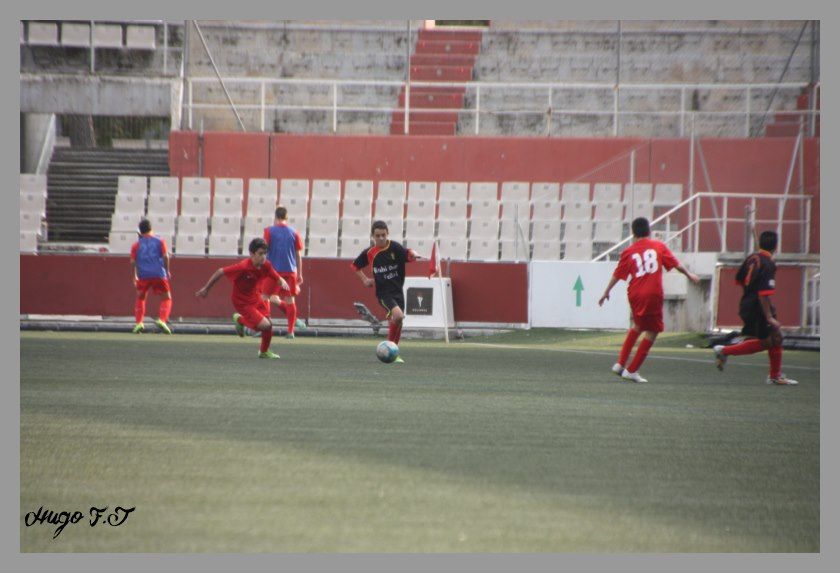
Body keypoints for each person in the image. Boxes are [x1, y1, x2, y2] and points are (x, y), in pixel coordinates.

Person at [598, 217, 700, 383]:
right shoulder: (658, 246)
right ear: (649, 231)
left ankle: (620, 363)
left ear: (633, 233)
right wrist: (690, 275)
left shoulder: (629, 251)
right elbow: (676, 265)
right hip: (652, 294)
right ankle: (632, 370)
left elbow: (618, 274)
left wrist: (606, 292)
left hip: (634, 294)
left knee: (638, 326)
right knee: (653, 331)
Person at [712, 231, 798, 385]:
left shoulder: (751, 258)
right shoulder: (768, 264)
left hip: (748, 303)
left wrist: (750, 295)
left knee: (775, 338)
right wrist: (769, 316)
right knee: (769, 341)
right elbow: (763, 294)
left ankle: (775, 375)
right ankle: (724, 351)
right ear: (775, 246)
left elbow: (739, 280)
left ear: (760, 244)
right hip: (758, 307)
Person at [195, 237, 290, 359]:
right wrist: (206, 288)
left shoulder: (265, 264)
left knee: (268, 326)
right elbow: (220, 271)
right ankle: (239, 319)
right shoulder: (243, 267)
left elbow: (273, 274)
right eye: (260, 254)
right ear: (252, 254)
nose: (263, 257)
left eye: (265, 254)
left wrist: (280, 280)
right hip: (242, 301)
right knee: (265, 326)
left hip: (256, 297)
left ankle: (264, 352)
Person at [351, 220, 422, 364]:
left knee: (398, 321)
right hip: (384, 293)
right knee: (398, 315)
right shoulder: (370, 253)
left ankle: (394, 352)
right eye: (377, 236)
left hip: (398, 291)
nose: (381, 238)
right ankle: (389, 350)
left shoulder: (394, 247)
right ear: (372, 236)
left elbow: (407, 254)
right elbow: (354, 266)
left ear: (387, 234)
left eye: (383, 235)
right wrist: (365, 280)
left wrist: (413, 253)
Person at [260, 206, 307, 339]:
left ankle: (266, 325)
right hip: (290, 271)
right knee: (290, 300)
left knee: (264, 297)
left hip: (273, 271)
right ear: (287, 218)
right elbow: (298, 255)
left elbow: (263, 250)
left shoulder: (269, 231)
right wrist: (300, 274)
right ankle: (291, 331)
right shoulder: (294, 232)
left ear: (275, 217)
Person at [130, 219, 173, 335]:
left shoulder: (136, 245)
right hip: (158, 274)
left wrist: (134, 276)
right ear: (151, 228)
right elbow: (165, 256)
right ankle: (162, 320)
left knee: (141, 298)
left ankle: (139, 323)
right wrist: (167, 271)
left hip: (143, 275)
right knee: (166, 298)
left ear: (140, 231)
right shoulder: (160, 241)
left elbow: (133, 262)